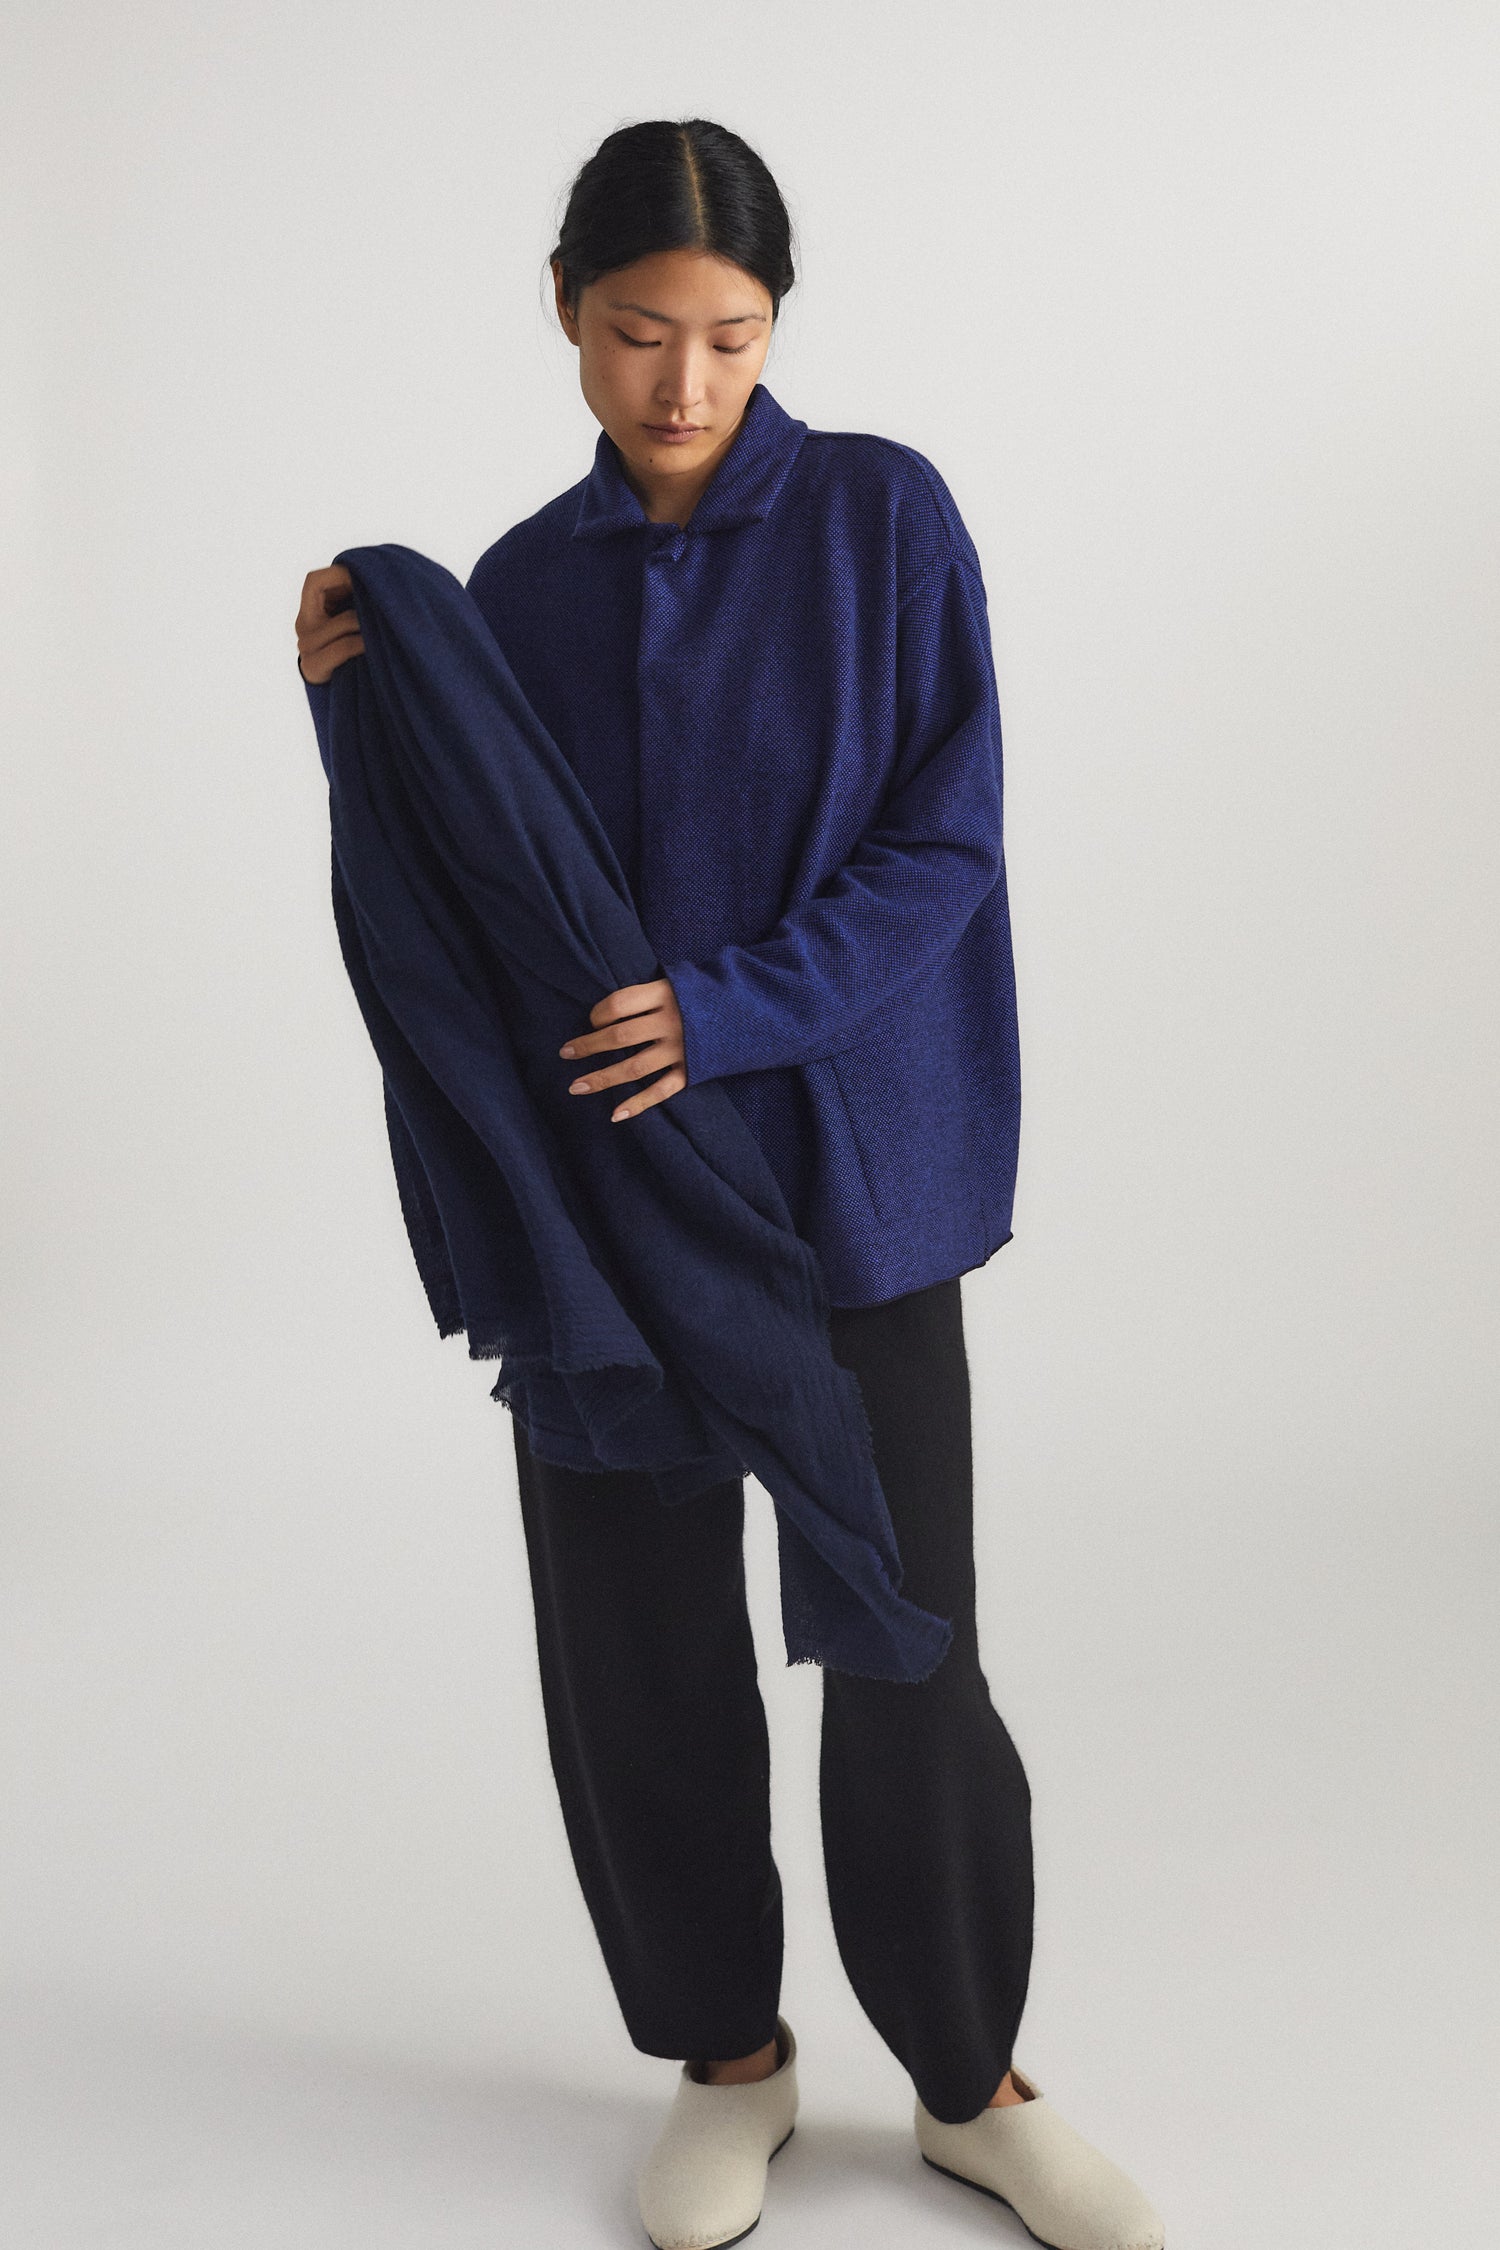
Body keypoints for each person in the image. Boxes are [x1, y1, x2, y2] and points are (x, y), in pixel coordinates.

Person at [295, 117, 1165, 2250]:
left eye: (729, 336)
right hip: (608, 1207)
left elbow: (944, 841)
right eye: (635, 333)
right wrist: (355, 715)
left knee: (905, 1636)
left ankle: (969, 2080)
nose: (681, 384)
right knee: (637, 1651)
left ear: (778, 326)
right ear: (564, 316)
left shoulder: (883, 518)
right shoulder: (514, 590)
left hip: (854, 1179)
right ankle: (727, 2062)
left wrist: (725, 1007)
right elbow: (466, 890)